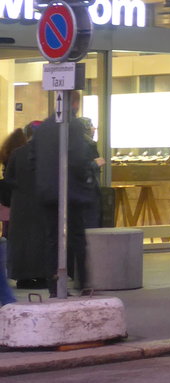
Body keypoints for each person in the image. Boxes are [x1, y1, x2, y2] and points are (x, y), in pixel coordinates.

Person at [35, 93, 101, 293]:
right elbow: (77, 158)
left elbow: (32, 158)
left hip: (47, 192)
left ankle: (54, 286)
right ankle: (84, 282)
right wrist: (88, 176)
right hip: (69, 191)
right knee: (77, 237)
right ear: (74, 103)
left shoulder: (43, 127)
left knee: (52, 239)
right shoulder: (72, 125)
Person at [0, 126, 27, 305]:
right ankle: (10, 303)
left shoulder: (7, 154)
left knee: (7, 233)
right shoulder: (22, 155)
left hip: (5, 202)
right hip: (15, 202)